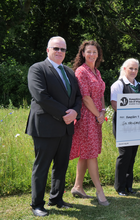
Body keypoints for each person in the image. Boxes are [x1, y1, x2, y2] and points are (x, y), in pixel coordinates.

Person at [25, 36, 82, 217]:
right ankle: (37, 204)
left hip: (65, 128)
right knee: (42, 166)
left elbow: (78, 97)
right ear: (47, 50)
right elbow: (41, 96)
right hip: (45, 127)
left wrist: (75, 112)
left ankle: (56, 199)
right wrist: (66, 114)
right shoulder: (37, 69)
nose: (59, 52)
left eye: (63, 49)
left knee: (61, 166)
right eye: (56, 48)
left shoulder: (69, 72)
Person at [69, 40, 109, 206]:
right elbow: (85, 97)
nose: (92, 54)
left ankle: (78, 186)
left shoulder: (97, 72)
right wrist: (97, 114)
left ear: (98, 54)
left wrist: (103, 111)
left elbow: (100, 94)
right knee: (91, 154)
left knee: (87, 153)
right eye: (88, 52)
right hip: (86, 118)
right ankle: (100, 191)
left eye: (94, 51)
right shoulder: (81, 71)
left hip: (97, 117)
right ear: (83, 54)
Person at [110, 58, 140, 196]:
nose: (134, 71)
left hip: (136, 125)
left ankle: (129, 186)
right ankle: (120, 187)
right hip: (123, 125)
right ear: (124, 69)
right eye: (131, 68)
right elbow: (114, 104)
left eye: (136, 69)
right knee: (124, 155)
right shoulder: (118, 85)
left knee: (132, 155)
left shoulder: (139, 85)